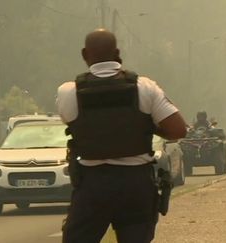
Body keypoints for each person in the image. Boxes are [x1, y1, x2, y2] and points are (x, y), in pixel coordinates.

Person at [57, 29, 187, 243]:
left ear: (84, 54)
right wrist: (146, 125)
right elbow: (178, 130)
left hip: (92, 185)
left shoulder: (68, 93)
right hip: (135, 184)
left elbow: (74, 122)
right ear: (117, 52)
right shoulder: (144, 88)